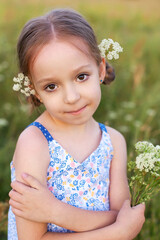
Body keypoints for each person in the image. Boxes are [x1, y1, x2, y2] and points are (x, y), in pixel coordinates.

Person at [8, 8, 145, 240]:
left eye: (81, 76)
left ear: (100, 69)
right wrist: (118, 232)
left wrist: (56, 212)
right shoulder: (35, 143)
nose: (71, 97)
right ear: (35, 91)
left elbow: (123, 216)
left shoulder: (113, 142)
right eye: (51, 86)